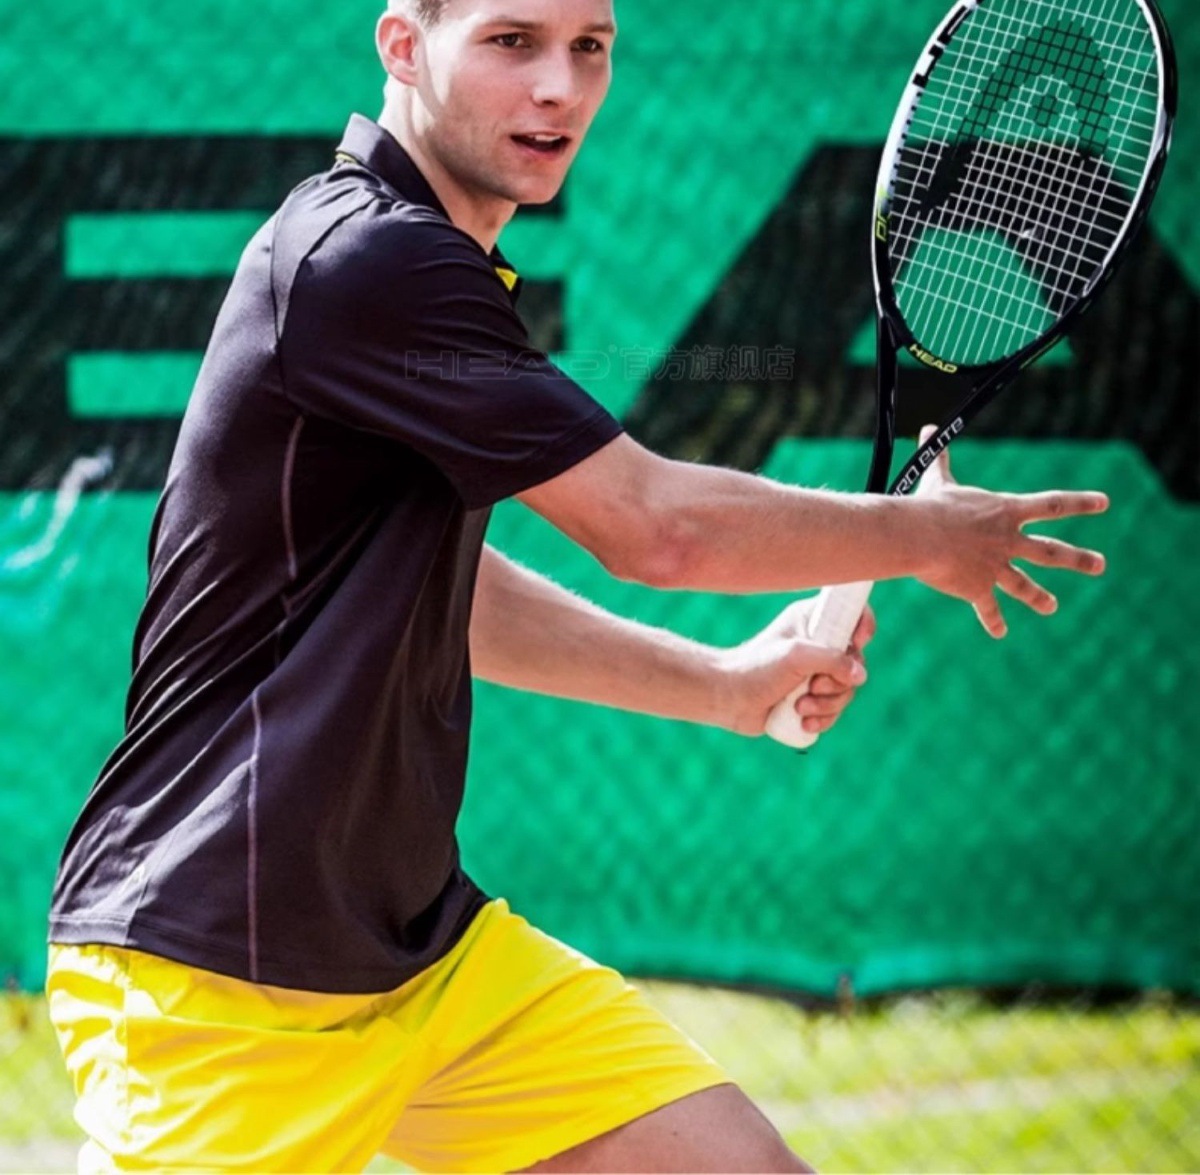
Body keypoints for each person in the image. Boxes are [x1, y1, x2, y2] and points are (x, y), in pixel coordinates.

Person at [44, 0, 1109, 1170]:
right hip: (221, 964)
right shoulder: (367, 257)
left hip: (421, 955)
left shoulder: (430, 261)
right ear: (404, 46)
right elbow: (656, 528)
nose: (560, 86)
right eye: (513, 41)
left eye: (588, 47)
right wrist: (922, 538)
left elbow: (448, 590)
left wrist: (725, 683)